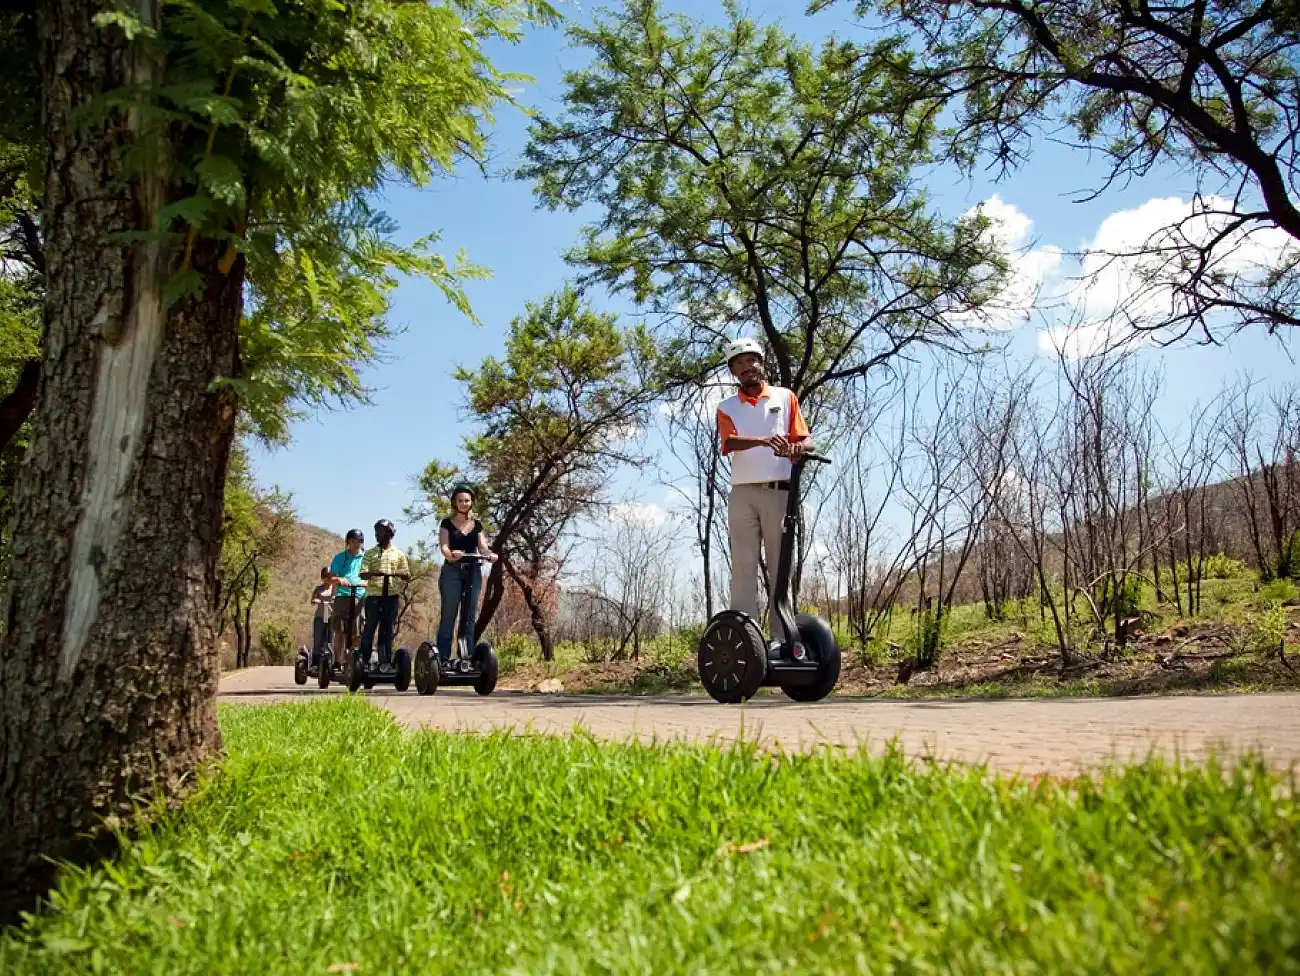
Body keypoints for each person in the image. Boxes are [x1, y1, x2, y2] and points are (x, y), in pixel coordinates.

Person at [715, 337, 812, 643]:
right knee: (743, 565)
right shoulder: (726, 407)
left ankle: (782, 639)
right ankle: (747, 639)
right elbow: (729, 443)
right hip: (742, 493)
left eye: (751, 361)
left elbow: (806, 439)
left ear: (761, 362)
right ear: (734, 372)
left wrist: (797, 449)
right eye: (739, 364)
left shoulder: (785, 398)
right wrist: (764, 441)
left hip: (778, 491)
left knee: (780, 564)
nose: (747, 367)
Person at [436, 485, 498, 663]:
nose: (464, 503)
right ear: (455, 503)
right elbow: (444, 546)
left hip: (473, 570)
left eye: (467, 501)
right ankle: (442, 658)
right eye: (460, 500)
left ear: (471, 503)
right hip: (452, 571)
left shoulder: (476, 525)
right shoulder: (446, 523)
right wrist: (451, 555)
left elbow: (483, 547)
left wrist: (490, 555)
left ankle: (466, 657)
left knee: (469, 615)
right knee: (449, 614)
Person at [359, 519, 410, 669]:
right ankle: (365, 660)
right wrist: (374, 573)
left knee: (388, 629)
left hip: (392, 597)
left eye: (380, 532)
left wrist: (396, 573)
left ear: (390, 533)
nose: (377, 535)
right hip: (374, 596)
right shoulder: (370, 553)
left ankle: (385, 661)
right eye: (376, 532)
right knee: (369, 628)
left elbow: (406, 573)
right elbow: (363, 574)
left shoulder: (399, 554)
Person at [328, 528, 367, 664]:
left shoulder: (366, 558)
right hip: (343, 596)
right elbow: (331, 577)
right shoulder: (340, 557)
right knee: (339, 630)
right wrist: (339, 580)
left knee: (358, 631)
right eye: (353, 541)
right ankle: (337, 661)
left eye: (358, 541)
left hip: (360, 596)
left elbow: (371, 577)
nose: (356, 544)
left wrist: (366, 583)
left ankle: (353, 661)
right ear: (348, 542)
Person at [309, 567, 334, 669]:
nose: (327, 578)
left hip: (332, 617)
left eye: (329, 576)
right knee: (318, 640)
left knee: (331, 640)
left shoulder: (336, 589)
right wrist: (318, 600)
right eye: (325, 576)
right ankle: (315, 663)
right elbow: (313, 600)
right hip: (320, 617)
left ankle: (332, 662)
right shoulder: (319, 589)